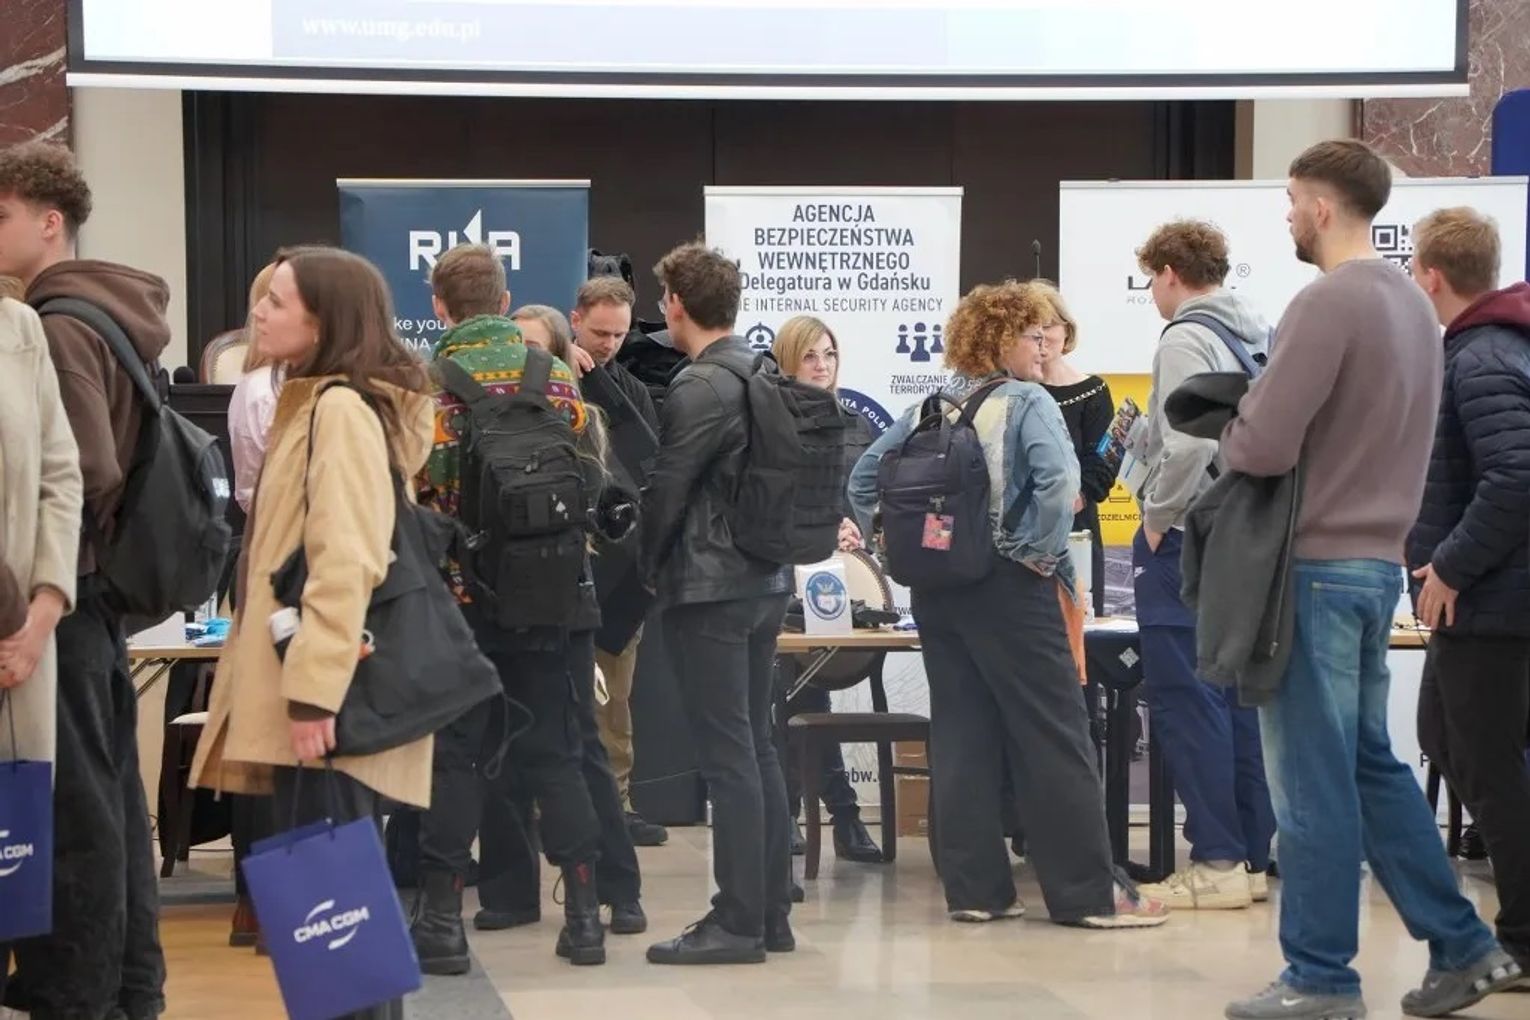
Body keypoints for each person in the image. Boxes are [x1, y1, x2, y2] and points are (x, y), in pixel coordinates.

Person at [1220, 140, 1522, 1020]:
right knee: (1367, 766)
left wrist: (1230, 425)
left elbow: (1264, 444)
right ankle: (1465, 946)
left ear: (1321, 206)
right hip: (1374, 569)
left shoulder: (1327, 301)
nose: (1286, 216)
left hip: (1310, 568)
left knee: (1310, 783)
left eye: (1290, 200)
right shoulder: (1414, 310)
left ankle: (1320, 976)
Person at [848, 281, 1168, 931]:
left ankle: (976, 891)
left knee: (962, 734)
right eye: (1033, 336)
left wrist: (892, 548)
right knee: (1055, 733)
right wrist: (1037, 553)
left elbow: (861, 481)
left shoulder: (929, 406)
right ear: (1000, 340)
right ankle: (1089, 895)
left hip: (937, 593)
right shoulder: (1027, 402)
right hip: (1010, 588)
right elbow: (1060, 484)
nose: (1044, 348)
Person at [187, 246, 435, 1020]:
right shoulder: (316, 401)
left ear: (325, 321)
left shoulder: (339, 411)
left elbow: (347, 557)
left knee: (338, 913)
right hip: (309, 683)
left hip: (322, 695)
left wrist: (315, 694)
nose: (258, 312)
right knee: (332, 907)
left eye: (278, 301)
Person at [412, 243, 631, 969]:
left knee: (456, 757)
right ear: (505, 303)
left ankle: (440, 923)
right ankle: (585, 921)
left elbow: (421, 497)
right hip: (554, 598)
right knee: (558, 753)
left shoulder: (429, 384)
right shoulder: (556, 377)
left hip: (461, 602)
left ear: (439, 307)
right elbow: (587, 478)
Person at [0, 139, 168, 1020]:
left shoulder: (55, 323)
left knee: (75, 815)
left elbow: (83, 466)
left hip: (63, 596)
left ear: (49, 221)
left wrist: (43, 587)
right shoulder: (106, 309)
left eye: (1, 215)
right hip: (85, 593)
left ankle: (83, 994)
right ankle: (128, 988)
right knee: (103, 805)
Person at [640, 242, 795, 965]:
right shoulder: (763, 370)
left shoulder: (699, 384)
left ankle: (736, 922)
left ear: (676, 304)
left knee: (729, 754)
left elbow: (668, 488)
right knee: (757, 746)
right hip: (766, 580)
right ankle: (769, 913)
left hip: (710, 587)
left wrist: (645, 568)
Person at [1126, 220, 1277, 912]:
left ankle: (1216, 859)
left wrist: (1157, 516)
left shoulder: (1185, 336)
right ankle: (1248, 856)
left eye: (1150, 280)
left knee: (1188, 698)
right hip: (1244, 533)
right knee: (1238, 698)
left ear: (1168, 273)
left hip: (1191, 534)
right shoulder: (1255, 332)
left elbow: (1187, 444)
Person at [1406, 206, 1530, 979]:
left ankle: (1523, 937)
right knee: (1448, 740)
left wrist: (1450, 565)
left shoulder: (1481, 357)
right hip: (1487, 604)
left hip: (1490, 605)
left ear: (1432, 276)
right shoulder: (1490, 346)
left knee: (1485, 765)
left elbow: (1516, 476)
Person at [768, 314, 882, 865]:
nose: (821, 365)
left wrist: (856, 527)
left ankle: (816, 814)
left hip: (836, 581)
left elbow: (865, 497)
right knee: (792, 693)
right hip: (778, 576)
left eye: (829, 355)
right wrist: (818, 528)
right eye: (810, 355)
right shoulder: (769, 424)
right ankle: (834, 814)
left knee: (808, 693)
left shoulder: (855, 424)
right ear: (787, 361)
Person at [0, 280, 83, 1014]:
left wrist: (45, 608)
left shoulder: (20, 328)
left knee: (10, 866)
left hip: (18, 642)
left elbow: (62, 477)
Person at [568, 276, 670, 849]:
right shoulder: (547, 378)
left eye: (619, 334)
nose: (608, 343)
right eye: (599, 332)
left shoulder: (628, 387)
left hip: (617, 569)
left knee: (614, 696)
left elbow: (651, 466)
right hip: (556, 564)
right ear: (575, 320)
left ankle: (617, 803)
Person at [223, 259, 279, 951]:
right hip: (271, 563)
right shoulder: (260, 389)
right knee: (264, 735)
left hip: (287, 563)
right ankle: (258, 898)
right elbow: (253, 490)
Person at [1030, 281, 1113, 619]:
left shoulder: (1093, 391)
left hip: (1076, 527)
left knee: (1078, 628)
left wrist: (1073, 500)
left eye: (1048, 325)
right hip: (1019, 532)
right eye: (1031, 328)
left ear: (1067, 329)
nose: (1041, 336)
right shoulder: (1010, 389)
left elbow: (1102, 462)